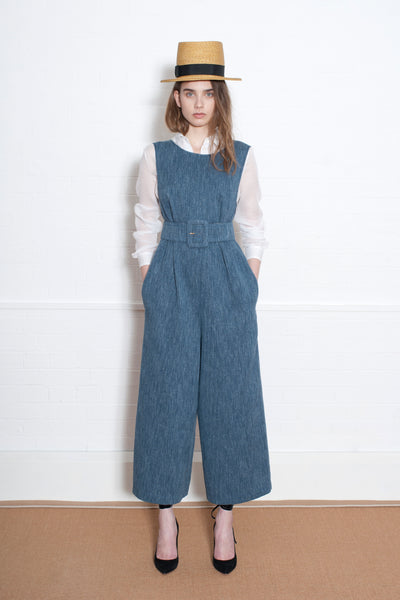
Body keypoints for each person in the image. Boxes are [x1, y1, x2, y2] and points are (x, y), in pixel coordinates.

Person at [131, 41, 272, 575]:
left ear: (219, 99)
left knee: (230, 393)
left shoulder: (240, 155)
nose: (197, 103)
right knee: (165, 392)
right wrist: (151, 283)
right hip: (170, 276)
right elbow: (146, 224)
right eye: (188, 93)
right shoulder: (156, 156)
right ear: (176, 98)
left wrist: (247, 284)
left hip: (226, 275)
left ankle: (225, 516)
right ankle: (166, 516)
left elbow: (253, 225)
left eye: (207, 93)